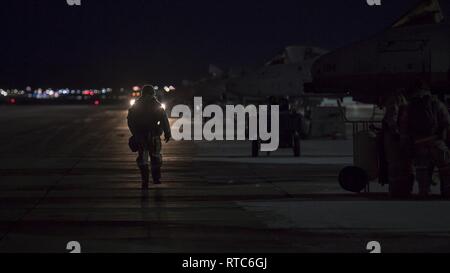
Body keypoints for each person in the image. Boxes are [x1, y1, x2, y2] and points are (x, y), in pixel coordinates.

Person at [406, 79, 450, 198]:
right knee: (445, 169)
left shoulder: (411, 105)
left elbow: (406, 125)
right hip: (436, 142)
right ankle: (446, 192)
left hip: (419, 142)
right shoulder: (437, 103)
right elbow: (446, 122)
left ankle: (424, 192)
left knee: (422, 170)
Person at [127, 85, 172, 189]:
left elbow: (130, 120)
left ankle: (149, 179)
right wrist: (166, 132)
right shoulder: (156, 104)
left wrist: (135, 133)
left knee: (148, 157)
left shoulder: (137, 105)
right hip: (150, 134)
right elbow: (164, 119)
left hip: (147, 134)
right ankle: (152, 179)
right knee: (152, 157)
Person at [381, 89, 414, 198]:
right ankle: (407, 190)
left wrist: (394, 132)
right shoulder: (406, 100)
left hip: (395, 137)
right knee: (406, 164)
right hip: (406, 136)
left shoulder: (394, 99)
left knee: (394, 164)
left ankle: (394, 191)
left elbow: (392, 117)